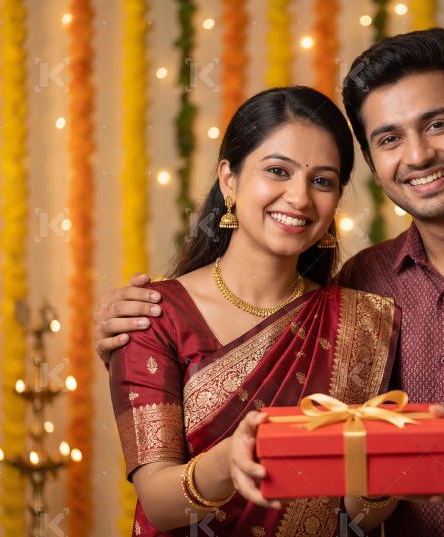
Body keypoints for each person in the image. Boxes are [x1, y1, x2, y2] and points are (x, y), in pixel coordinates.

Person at [97, 29, 444, 537]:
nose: (417, 155)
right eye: (389, 138)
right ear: (375, 164)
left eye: (437, 125)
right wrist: (128, 344)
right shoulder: (365, 284)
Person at [107, 86, 402, 536]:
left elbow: (356, 518)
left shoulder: (363, 321)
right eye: (278, 171)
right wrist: (227, 463)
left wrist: (379, 482)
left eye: (322, 181)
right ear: (229, 179)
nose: (299, 198)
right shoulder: (153, 315)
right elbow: (158, 503)